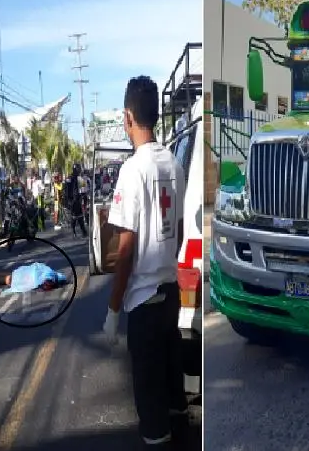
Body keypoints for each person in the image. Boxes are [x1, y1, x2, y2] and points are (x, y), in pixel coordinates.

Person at [102, 76, 187, 449]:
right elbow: (180, 230)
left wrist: (113, 309)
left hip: (144, 304)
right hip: (169, 295)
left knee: (151, 410)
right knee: (173, 397)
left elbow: (125, 250)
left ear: (128, 117)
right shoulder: (175, 163)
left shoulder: (132, 171)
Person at [0, 262, 67, 293]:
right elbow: (45, 278)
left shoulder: (50, 273)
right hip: (29, 276)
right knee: (12, 279)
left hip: (28, 274)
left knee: (12, 278)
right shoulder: (50, 275)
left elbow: (39, 266)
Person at [63, 164, 88, 237]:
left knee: (74, 216)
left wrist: (67, 201)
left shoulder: (69, 178)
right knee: (78, 216)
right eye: (79, 169)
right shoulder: (80, 178)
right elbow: (84, 191)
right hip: (76, 200)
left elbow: (65, 190)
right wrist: (84, 200)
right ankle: (82, 231)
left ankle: (75, 231)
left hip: (72, 201)